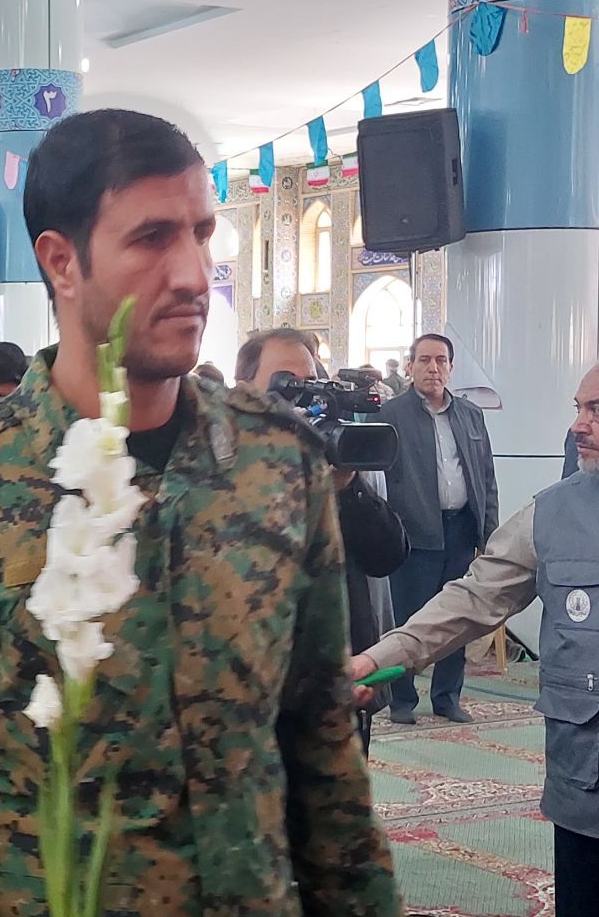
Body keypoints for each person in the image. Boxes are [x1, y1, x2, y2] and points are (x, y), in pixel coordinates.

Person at [0, 109, 398, 917]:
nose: (192, 275)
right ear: (61, 262)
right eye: (151, 238)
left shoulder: (276, 464)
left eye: (201, 234)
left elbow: (321, 745)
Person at [351, 362, 599, 917]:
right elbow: (473, 599)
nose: (578, 426)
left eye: (596, 411)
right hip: (585, 789)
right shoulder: (551, 514)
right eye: (578, 408)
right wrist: (377, 658)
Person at [236, 328, 409, 754]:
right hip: (247, 698)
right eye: (287, 385)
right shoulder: (215, 469)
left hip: (336, 688)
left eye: (310, 383)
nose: (302, 399)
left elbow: (387, 556)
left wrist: (346, 489)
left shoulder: (336, 458)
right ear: (243, 390)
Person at [378, 333, 498, 724]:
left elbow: (486, 476)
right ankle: (402, 700)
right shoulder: (391, 415)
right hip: (412, 536)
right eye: (425, 360)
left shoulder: (470, 415)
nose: (433, 368)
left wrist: (488, 533)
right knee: (409, 620)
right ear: (410, 366)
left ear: (451, 367)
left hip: (461, 531)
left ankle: (447, 697)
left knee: (457, 619)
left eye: (441, 360)